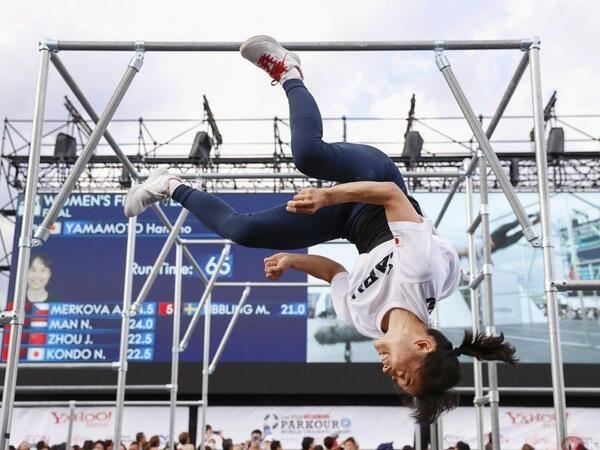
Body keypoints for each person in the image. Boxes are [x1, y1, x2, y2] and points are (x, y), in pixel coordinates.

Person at [124, 35, 517, 424]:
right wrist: (328, 198)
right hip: (376, 183)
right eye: (402, 373)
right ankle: (289, 70)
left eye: (397, 380)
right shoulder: (423, 274)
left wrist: (293, 260)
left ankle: (169, 185)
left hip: (349, 223)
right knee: (309, 155)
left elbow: (334, 273)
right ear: (422, 344)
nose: (388, 372)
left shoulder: (365, 321)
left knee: (243, 232)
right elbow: (392, 196)